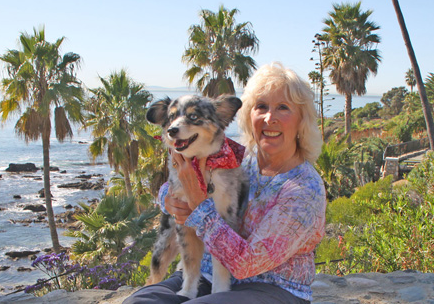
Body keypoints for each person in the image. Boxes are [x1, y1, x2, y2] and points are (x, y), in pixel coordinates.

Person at [125, 62, 326, 304]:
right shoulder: (238, 158)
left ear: (301, 121)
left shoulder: (304, 188)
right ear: (249, 115)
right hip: (206, 275)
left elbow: (247, 264)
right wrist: (168, 199)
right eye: (261, 107)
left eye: (283, 108)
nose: (269, 118)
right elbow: (176, 185)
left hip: (271, 287)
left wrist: (199, 206)